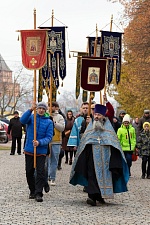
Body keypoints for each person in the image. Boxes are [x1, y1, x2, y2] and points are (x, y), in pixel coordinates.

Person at [69, 104, 129, 206]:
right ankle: (91, 197)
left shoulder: (109, 129)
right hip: (91, 156)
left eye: (99, 115)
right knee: (92, 175)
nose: (96, 116)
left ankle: (100, 196)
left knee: (105, 176)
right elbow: (85, 141)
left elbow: (114, 142)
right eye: (95, 114)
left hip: (106, 157)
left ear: (103, 116)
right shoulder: (90, 127)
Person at [20, 101, 53, 202]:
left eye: (43, 109)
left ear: (45, 110)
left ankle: (39, 193)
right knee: (29, 171)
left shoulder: (49, 122)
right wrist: (30, 109)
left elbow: (49, 137)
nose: (41, 110)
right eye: (39, 108)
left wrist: (39, 142)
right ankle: (32, 190)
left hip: (41, 151)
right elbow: (22, 120)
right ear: (37, 109)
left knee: (40, 172)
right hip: (29, 149)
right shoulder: (31, 118)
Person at [48, 101, 65, 186]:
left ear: (56, 108)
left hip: (56, 141)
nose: (50, 108)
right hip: (47, 141)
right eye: (49, 106)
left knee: (54, 160)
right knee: (46, 160)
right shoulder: (45, 115)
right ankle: (46, 176)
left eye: (52, 106)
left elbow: (62, 128)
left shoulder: (60, 117)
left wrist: (54, 123)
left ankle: (52, 178)